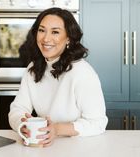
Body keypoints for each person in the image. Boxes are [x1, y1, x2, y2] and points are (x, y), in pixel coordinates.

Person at [8, 7, 108, 147]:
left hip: (79, 147)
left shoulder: (82, 72)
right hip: (44, 147)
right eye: (42, 30)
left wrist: (57, 129)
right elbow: (18, 108)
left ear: (68, 38)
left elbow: (98, 123)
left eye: (55, 32)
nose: (46, 38)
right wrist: (22, 124)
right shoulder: (33, 68)